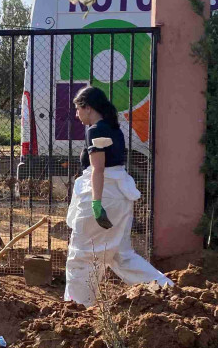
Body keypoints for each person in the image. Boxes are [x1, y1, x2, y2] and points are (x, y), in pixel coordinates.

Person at [64, 85, 171, 306]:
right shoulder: (114, 129)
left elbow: (98, 169)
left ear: (88, 107)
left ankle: (76, 308)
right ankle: (164, 288)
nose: (76, 115)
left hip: (104, 194)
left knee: (81, 255)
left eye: (77, 109)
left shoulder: (95, 130)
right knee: (120, 254)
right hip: (120, 194)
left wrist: (95, 203)